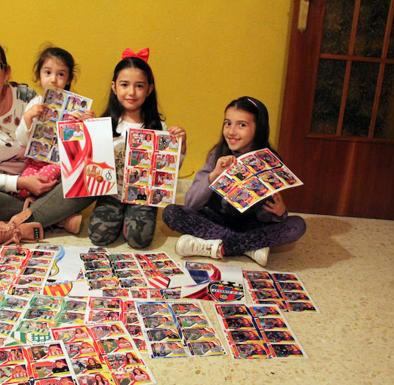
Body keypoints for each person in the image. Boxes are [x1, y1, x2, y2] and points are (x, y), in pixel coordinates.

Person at [0, 39, 92, 250]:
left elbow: (55, 147)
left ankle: (8, 227)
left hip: (44, 181)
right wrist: (20, 183)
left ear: (7, 72)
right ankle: (53, 217)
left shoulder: (26, 97)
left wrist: (84, 128)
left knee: (93, 173)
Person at [163, 96, 306, 266]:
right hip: (216, 219)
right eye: (227, 123)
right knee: (171, 212)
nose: (231, 132)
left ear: (258, 128)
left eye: (242, 125)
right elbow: (191, 204)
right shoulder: (217, 154)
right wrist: (214, 175)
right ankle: (248, 247)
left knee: (297, 225)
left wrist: (279, 212)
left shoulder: (268, 160)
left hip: (251, 224)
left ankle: (211, 246)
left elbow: (267, 215)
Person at [88, 48, 186, 249]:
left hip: (142, 196)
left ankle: (132, 216)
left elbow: (168, 172)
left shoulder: (158, 128)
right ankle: (119, 214)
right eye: (124, 85)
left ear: (149, 89)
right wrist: (86, 131)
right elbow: (90, 164)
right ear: (114, 87)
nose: (131, 92)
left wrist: (181, 147)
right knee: (99, 236)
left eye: (139, 86)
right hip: (111, 194)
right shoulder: (104, 123)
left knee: (138, 239)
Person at [15, 46, 90, 234]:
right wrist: (28, 118)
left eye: (61, 74)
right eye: (47, 72)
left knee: (46, 178)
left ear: (69, 79)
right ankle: (59, 218)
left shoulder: (75, 108)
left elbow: (84, 147)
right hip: (34, 159)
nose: (53, 79)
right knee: (22, 186)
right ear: (38, 75)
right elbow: (21, 140)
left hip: (59, 162)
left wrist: (87, 122)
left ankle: (45, 212)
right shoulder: (34, 103)